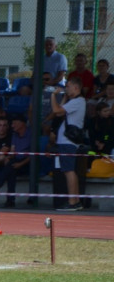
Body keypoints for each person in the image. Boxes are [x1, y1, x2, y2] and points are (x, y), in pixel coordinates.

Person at [50, 75, 87, 211]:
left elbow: (56, 111)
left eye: (68, 86)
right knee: (70, 171)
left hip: (67, 142)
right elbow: (61, 113)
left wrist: (54, 96)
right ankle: (75, 200)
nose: (66, 88)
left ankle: (72, 201)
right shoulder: (75, 101)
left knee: (68, 171)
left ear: (76, 87)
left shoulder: (78, 101)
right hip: (67, 142)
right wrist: (65, 97)